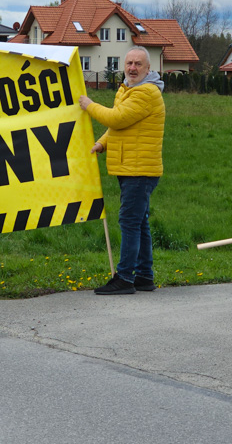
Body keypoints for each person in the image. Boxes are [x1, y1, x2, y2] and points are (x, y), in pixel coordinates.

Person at [79, 46, 165, 295]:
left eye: (138, 64)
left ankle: (125, 278)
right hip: (132, 167)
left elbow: (115, 118)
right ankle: (145, 276)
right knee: (139, 223)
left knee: (129, 221)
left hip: (139, 170)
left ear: (149, 69)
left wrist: (89, 105)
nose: (132, 68)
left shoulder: (145, 93)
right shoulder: (128, 90)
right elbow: (121, 126)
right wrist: (102, 143)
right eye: (129, 63)